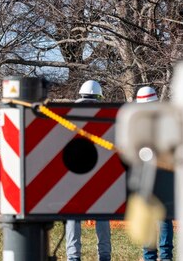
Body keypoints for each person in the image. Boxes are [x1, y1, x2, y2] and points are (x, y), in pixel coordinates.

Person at [65, 80, 111, 261]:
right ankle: (105, 255)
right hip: (98, 174)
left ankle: (73, 256)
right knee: (102, 215)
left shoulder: (69, 115)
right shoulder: (104, 116)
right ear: (99, 96)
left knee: (73, 217)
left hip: (73, 173)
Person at [137, 86, 175, 261]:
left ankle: (149, 256)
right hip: (164, 170)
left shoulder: (135, 121)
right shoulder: (166, 119)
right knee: (164, 216)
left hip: (143, 172)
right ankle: (166, 256)